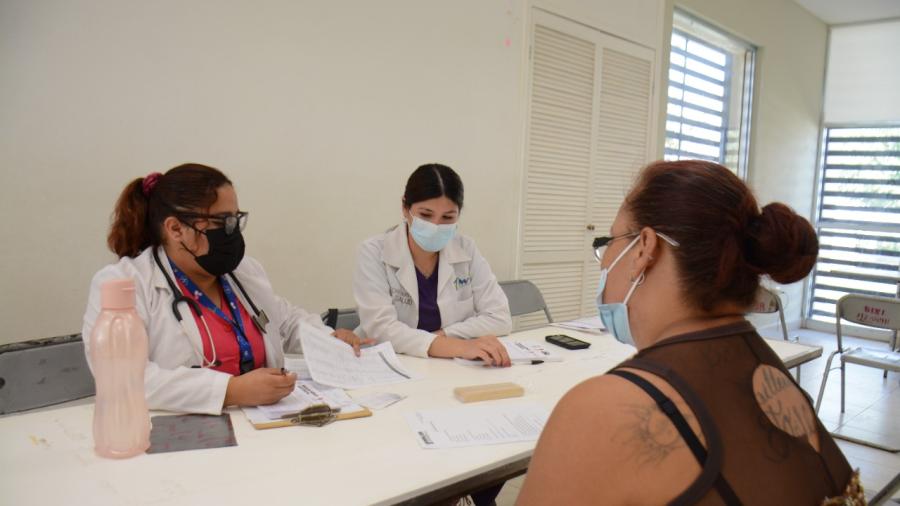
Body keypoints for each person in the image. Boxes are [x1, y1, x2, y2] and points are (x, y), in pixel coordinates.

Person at [517, 161, 863, 505]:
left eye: (610, 240)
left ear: (644, 248)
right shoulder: (772, 376)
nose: (605, 260)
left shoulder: (604, 408)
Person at [83, 163, 373, 415]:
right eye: (223, 222)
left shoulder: (243, 272)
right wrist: (230, 391)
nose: (232, 232)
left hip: (265, 424)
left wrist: (331, 338)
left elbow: (285, 321)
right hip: (182, 436)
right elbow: (120, 380)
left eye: (236, 219)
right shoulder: (123, 285)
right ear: (175, 229)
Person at [353, 163, 513, 366]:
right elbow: (382, 330)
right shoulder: (373, 252)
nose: (436, 226)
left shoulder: (466, 249)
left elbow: (500, 318)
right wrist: (459, 346)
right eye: (426, 215)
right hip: (390, 363)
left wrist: (444, 335)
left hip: (447, 366)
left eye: (448, 217)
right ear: (405, 208)